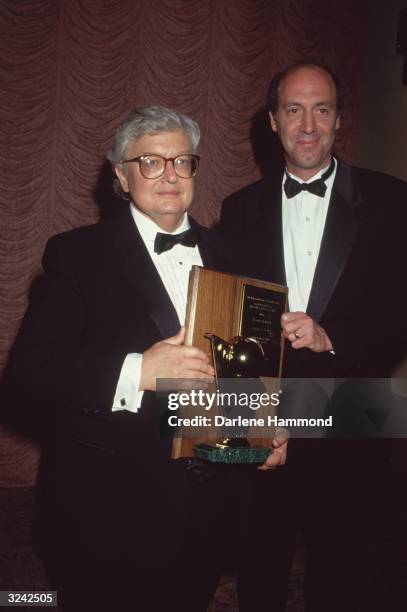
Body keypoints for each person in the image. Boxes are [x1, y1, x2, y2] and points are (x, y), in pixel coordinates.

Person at [8, 106, 287, 612]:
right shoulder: (76, 255)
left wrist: (266, 427)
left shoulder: (236, 255)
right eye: (151, 162)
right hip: (109, 504)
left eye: (182, 161)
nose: (170, 175)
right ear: (120, 174)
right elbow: (30, 370)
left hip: (210, 497)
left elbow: (250, 369)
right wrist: (138, 371)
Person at [220, 63, 407, 611]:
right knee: (260, 556)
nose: (308, 125)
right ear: (273, 122)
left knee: (344, 562)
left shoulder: (394, 200)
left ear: (339, 120)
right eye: (294, 110)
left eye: (321, 109)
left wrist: (331, 337)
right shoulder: (238, 209)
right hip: (268, 409)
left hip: (357, 404)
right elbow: (229, 318)